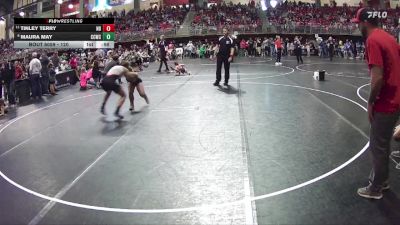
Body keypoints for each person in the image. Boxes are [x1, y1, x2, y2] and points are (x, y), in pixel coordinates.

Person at [352, 8, 400, 200]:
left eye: (358, 23)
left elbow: (377, 78)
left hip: (386, 102)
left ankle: (376, 188)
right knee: (384, 143)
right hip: (397, 97)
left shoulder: (372, 40)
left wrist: (371, 103)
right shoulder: (389, 37)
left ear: (365, 22)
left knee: (378, 146)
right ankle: (384, 180)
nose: (358, 26)